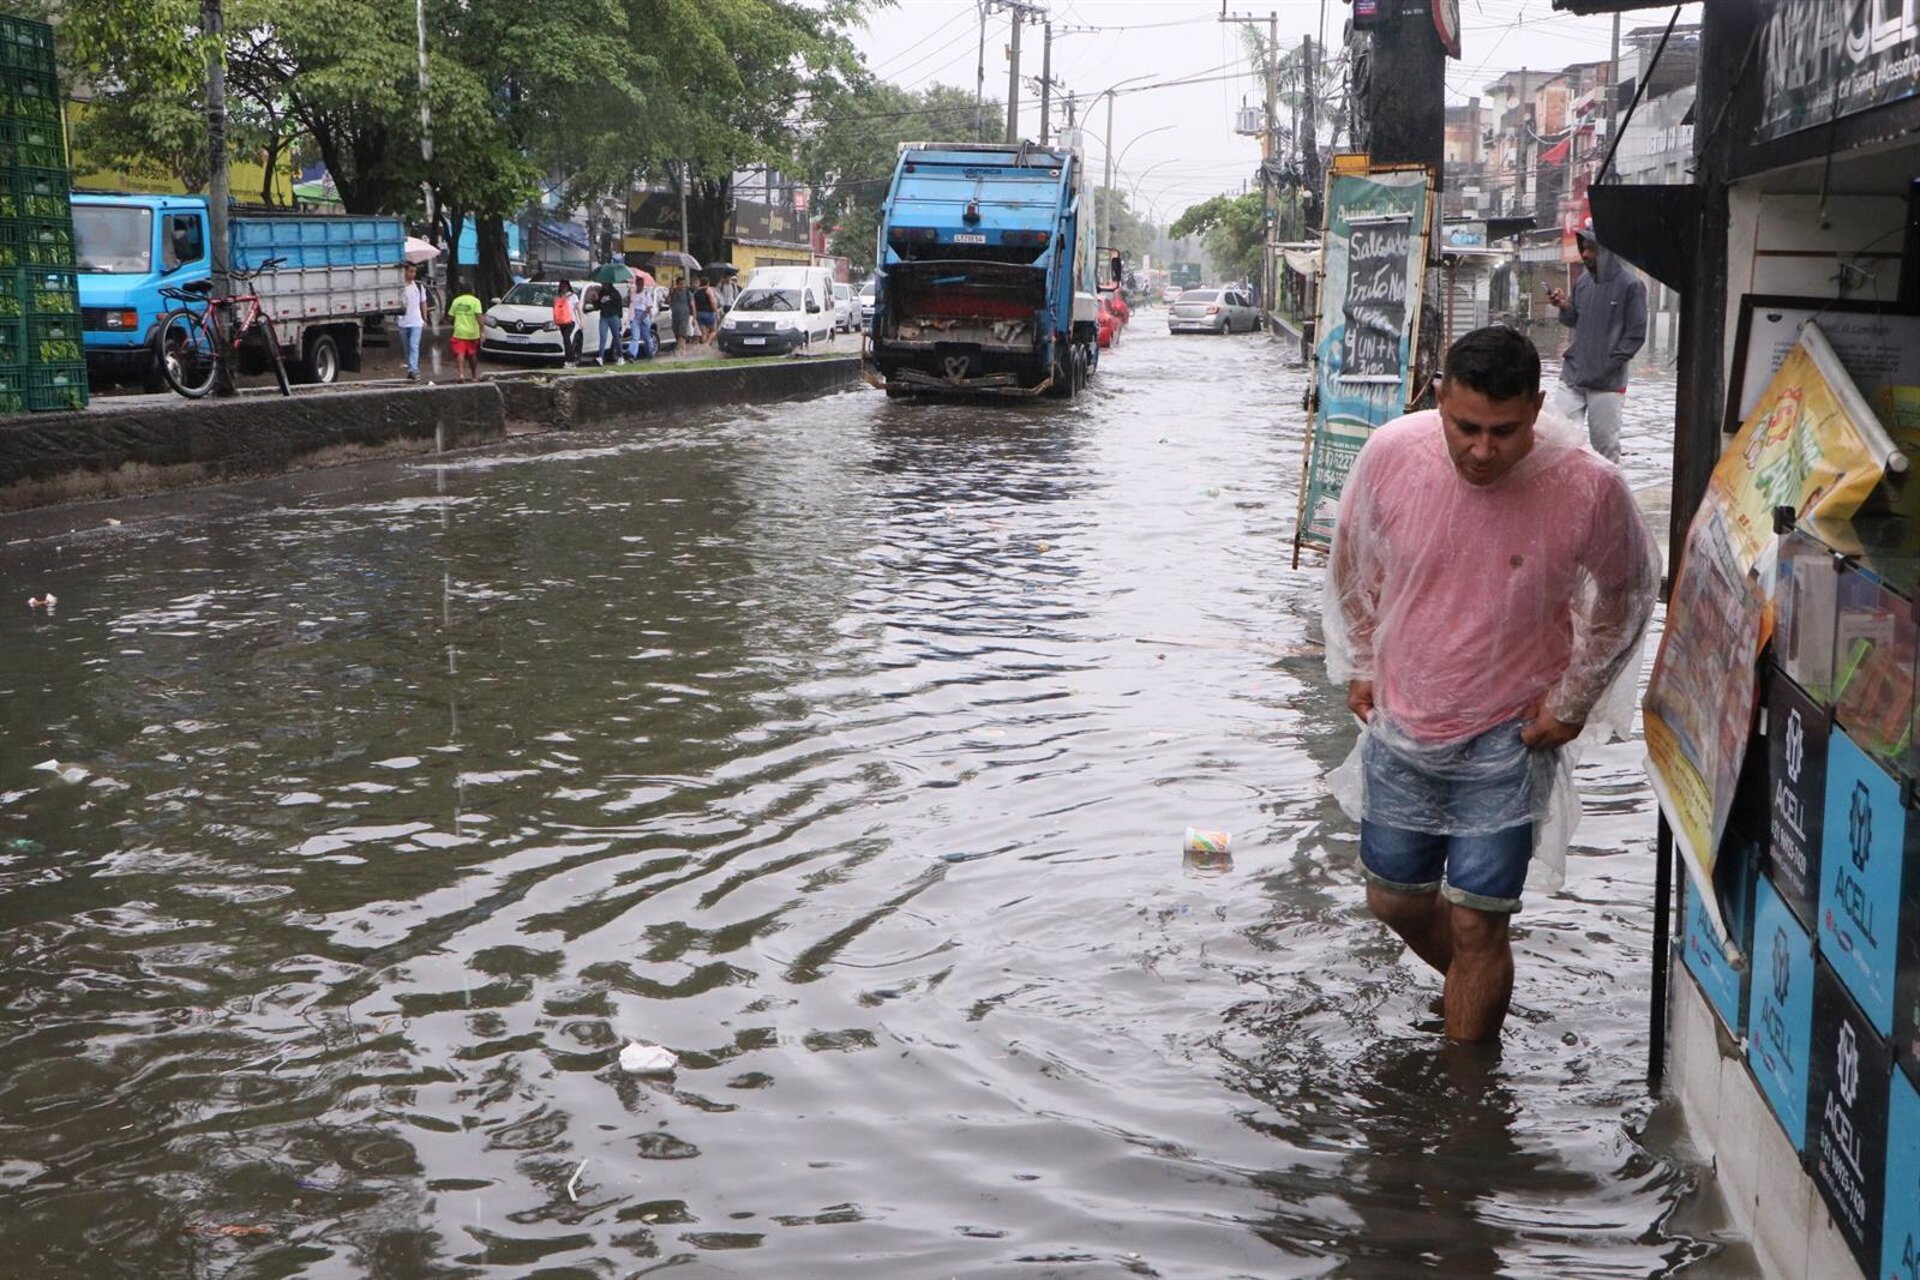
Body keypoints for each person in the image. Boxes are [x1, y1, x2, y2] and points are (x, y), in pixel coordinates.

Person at [1324, 325, 1658, 1044]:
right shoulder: (1391, 455)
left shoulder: (1588, 485)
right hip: (1405, 716)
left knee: (1478, 921)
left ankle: (1467, 1098)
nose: (1482, 450)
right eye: (1466, 427)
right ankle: (1475, 992)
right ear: (1438, 399)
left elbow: (1628, 594)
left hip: (1511, 734)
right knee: (1394, 900)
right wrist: (1360, 662)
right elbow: (1354, 564)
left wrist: (1571, 703)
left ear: (1537, 409)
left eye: (1504, 432)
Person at [1544, 225, 1648, 463]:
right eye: (1584, 248)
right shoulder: (1583, 283)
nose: (1586, 254)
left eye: (1592, 249)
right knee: (1559, 439)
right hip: (1573, 375)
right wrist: (1562, 305)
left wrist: (1609, 363)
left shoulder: (1631, 286)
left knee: (1605, 447)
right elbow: (1573, 320)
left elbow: (1636, 335)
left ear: (1607, 251)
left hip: (1607, 382)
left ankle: (1609, 494)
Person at [398, 262, 429, 381]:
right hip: (403, 321)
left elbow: (423, 303)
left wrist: (425, 318)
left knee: (413, 345)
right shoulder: (400, 287)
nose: (413, 274)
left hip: (416, 321)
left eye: (414, 272)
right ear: (405, 272)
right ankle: (413, 367)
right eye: (410, 271)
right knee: (407, 348)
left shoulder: (419, 286)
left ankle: (413, 370)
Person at [446, 286, 483, 382]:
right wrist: (482, 331)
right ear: (472, 291)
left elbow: (450, 317)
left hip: (459, 332)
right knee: (472, 354)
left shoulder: (456, 301)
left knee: (460, 353)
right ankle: (474, 376)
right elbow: (479, 317)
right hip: (472, 333)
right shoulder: (476, 301)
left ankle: (461, 375)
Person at [593, 277, 625, 365]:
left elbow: (619, 307)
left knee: (616, 337)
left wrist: (619, 319)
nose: (602, 284)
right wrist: (595, 301)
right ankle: (600, 357)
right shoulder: (601, 293)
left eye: (604, 282)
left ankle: (621, 356)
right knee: (603, 337)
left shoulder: (615, 293)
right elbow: (597, 307)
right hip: (604, 317)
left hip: (613, 316)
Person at [627, 276, 659, 360]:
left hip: (644, 315)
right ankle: (632, 354)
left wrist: (643, 317)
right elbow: (630, 303)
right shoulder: (633, 293)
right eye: (638, 284)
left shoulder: (646, 294)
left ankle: (650, 353)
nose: (640, 286)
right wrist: (628, 296)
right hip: (635, 315)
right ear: (636, 284)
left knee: (646, 337)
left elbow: (649, 307)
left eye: (641, 284)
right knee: (635, 336)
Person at [553, 278, 579, 367]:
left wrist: (581, 320)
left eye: (565, 286)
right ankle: (569, 359)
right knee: (565, 340)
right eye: (562, 286)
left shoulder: (573, 296)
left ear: (568, 286)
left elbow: (577, 308)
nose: (563, 288)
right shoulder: (558, 296)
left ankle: (571, 360)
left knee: (566, 339)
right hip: (561, 321)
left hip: (570, 321)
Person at [693, 275, 720, 344]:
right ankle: (707, 345)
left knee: (704, 333)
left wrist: (695, 316)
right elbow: (712, 302)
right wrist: (716, 311)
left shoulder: (696, 291)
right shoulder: (708, 289)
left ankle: (703, 348)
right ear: (708, 282)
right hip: (708, 313)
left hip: (699, 314)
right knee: (714, 331)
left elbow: (694, 304)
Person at [669, 279, 692, 351]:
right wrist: (670, 293)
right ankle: (683, 348)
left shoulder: (688, 293)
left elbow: (692, 304)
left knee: (682, 333)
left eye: (684, 284)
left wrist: (694, 317)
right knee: (676, 332)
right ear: (677, 285)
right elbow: (668, 301)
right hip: (675, 316)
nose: (683, 286)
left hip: (684, 315)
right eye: (681, 284)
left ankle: (679, 350)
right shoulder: (673, 292)